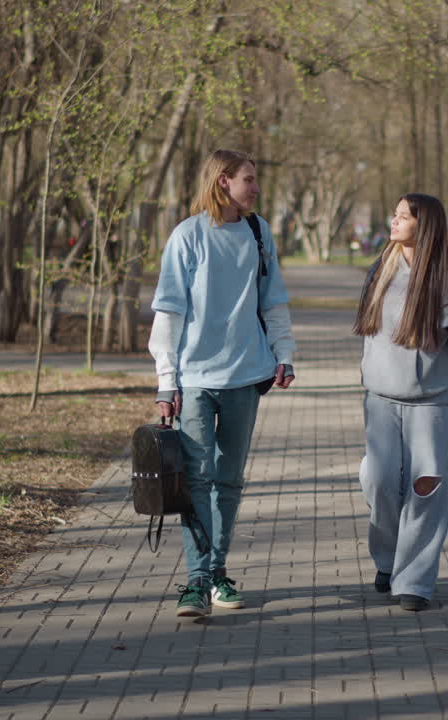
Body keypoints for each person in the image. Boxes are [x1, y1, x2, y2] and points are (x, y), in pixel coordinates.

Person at [147, 149, 296, 618]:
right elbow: (168, 312)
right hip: (194, 379)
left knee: (227, 480)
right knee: (197, 478)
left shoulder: (258, 231)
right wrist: (166, 383)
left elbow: (272, 300)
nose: (256, 188)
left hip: (246, 375)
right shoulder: (188, 236)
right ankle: (195, 582)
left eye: (256, 179)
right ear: (222, 182)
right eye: (248, 179)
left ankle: (216, 573)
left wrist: (284, 354)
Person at [352, 193, 448, 612]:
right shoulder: (381, 268)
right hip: (381, 400)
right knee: (380, 482)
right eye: (395, 214)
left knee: (427, 490)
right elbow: (370, 334)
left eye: (403, 216)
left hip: (431, 403)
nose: (394, 220)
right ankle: (387, 561)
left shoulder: (446, 276)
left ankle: (415, 582)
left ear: (423, 226)